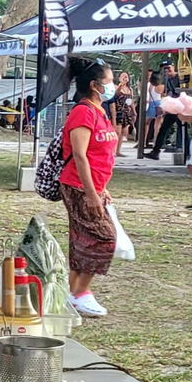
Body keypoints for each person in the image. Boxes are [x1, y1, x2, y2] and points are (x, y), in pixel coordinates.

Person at [58, 58, 121, 317]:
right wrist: (92, 194)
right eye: (110, 80)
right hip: (78, 186)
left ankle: (72, 293)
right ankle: (82, 292)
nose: (114, 85)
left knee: (83, 239)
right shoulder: (83, 112)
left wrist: (101, 188)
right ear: (95, 85)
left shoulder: (100, 111)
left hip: (93, 186)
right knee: (104, 237)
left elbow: (100, 154)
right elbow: (80, 155)